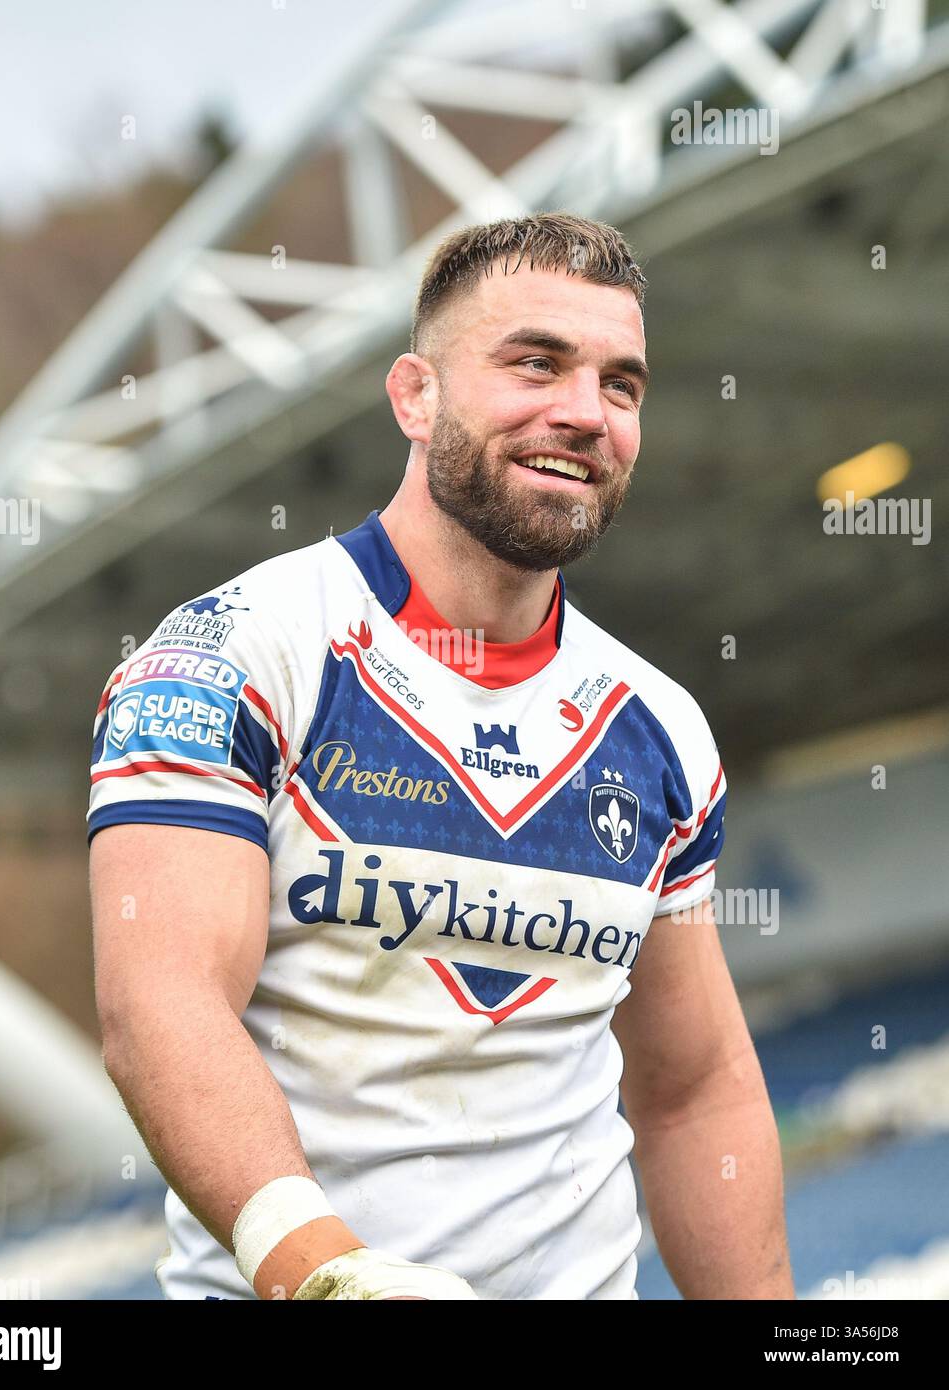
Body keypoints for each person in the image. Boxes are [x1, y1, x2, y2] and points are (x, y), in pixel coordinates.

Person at [88, 212, 794, 1300]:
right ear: (414, 397)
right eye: (535, 364)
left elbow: (692, 1090)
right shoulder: (232, 656)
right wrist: (325, 1274)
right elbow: (161, 1006)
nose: (584, 412)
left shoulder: (659, 727)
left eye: (620, 384)